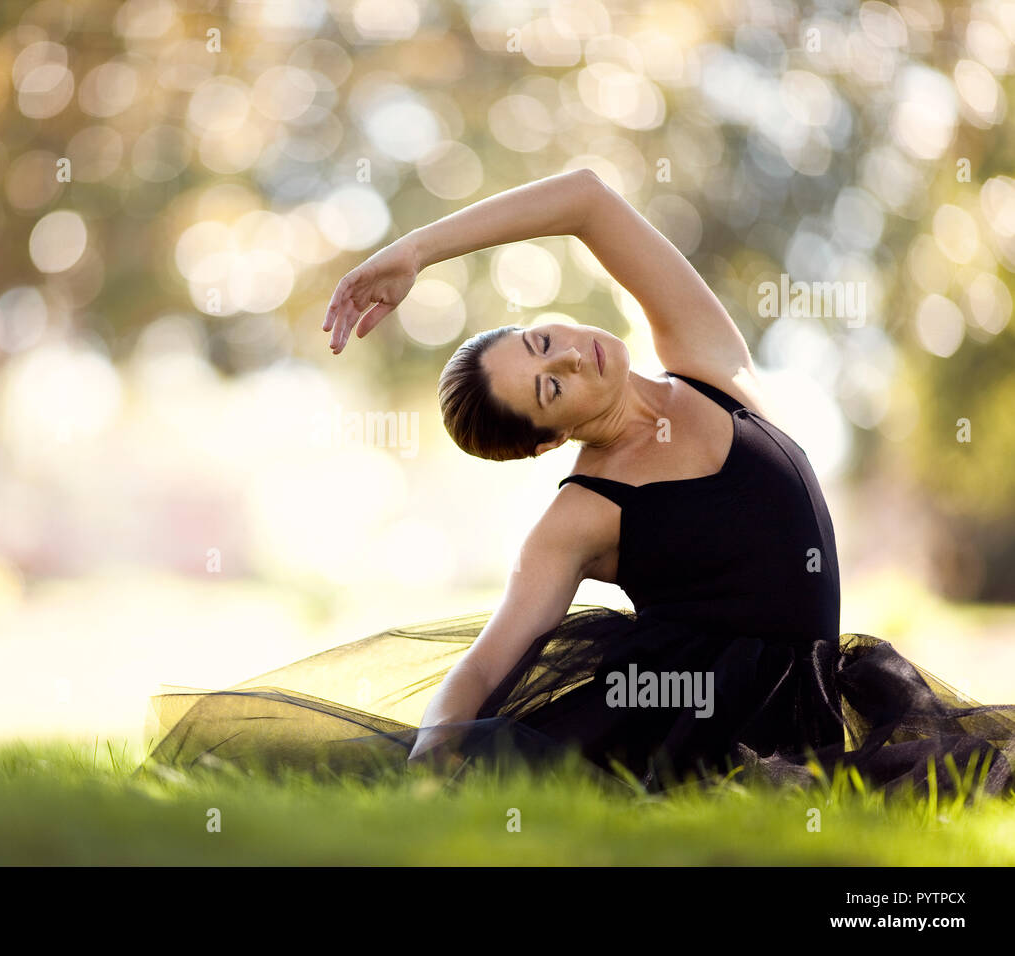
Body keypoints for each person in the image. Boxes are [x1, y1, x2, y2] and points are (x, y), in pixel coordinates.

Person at [148, 170, 1015, 795]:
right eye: (550, 388)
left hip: (817, 696)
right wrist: (429, 768)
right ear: (549, 439)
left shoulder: (706, 362)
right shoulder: (585, 510)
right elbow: (489, 660)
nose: (568, 353)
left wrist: (417, 250)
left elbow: (588, 199)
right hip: (709, 724)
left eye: (536, 343)